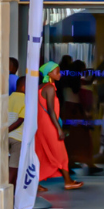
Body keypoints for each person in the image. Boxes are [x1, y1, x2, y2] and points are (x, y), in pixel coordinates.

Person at [35, 62, 82, 190]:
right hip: (49, 125)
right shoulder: (49, 88)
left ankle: (36, 183)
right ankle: (68, 181)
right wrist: (59, 129)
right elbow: (51, 110)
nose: (60, 74)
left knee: (42, 154)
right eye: (57, 71)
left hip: (41, 125)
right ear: (49, 73)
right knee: (60, 153)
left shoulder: (40, 87)